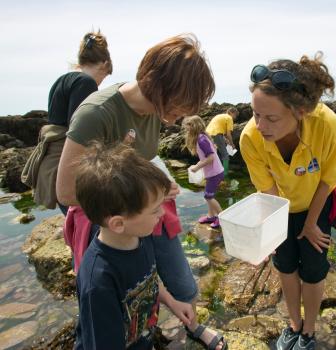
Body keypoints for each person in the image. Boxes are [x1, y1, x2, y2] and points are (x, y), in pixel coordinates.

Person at [56, 34, 226, 350]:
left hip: (145, 209)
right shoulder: (97, 113)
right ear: (161, 86)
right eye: (184, 102)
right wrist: (136, 203)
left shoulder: (153, 112)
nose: (186, 112)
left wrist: (159, 184)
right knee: (113, 297)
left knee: (175, 278)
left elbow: (140, 160)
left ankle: (188, 324)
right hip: (115, 219)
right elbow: (66, 191)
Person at [240, 54, 336, 350]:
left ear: (301, 111)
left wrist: (311, 224)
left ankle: (308, 330)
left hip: (316, 206)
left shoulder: (327, 125)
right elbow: (268, 190)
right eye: (255, 114)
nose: (260, 126)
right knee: (285, 267)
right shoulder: (251, 137)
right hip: (278, 209)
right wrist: (270, 233)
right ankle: (293, 324)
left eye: (271, 118)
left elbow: (328, 179)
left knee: (313, 271)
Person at [74, 142, 194, 349]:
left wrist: (172, 302)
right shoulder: (98, 282)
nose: (163, 214)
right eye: (155, 210)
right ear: (118, 223)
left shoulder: (141, 237)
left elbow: (149, 279)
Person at [22, 30, 112, 212]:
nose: (100, 83)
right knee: (86, 217)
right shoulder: (86, 83)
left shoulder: (62, 80)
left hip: (52, 158)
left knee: (71, 215)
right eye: (104, 76)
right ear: (104, 64)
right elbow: (80, 128)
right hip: (68, 159)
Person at [183, 115, 224, 228]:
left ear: (195, 126)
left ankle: (221, 217)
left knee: (208, 196)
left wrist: (197, 167)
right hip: (213, 172)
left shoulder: (201, 140)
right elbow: (209, 154)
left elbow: (210, 157)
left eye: (188, 127)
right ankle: (211, 216)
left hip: (215, 172)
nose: (187, 130)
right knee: (208, 195)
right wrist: (199, 164)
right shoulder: (202, 137)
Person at [206, 107, 239, 174]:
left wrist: (226, 140)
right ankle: (225, 174)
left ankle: (215, 170)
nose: (235, 117)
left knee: (216, 154)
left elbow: (218, 129)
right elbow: (228, 134)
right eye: (235, 115)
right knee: (225, 156)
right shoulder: (229, 118)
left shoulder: (219, 116)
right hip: (216, 134)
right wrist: (232, 144)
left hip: (207, 135)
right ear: (231, 113)